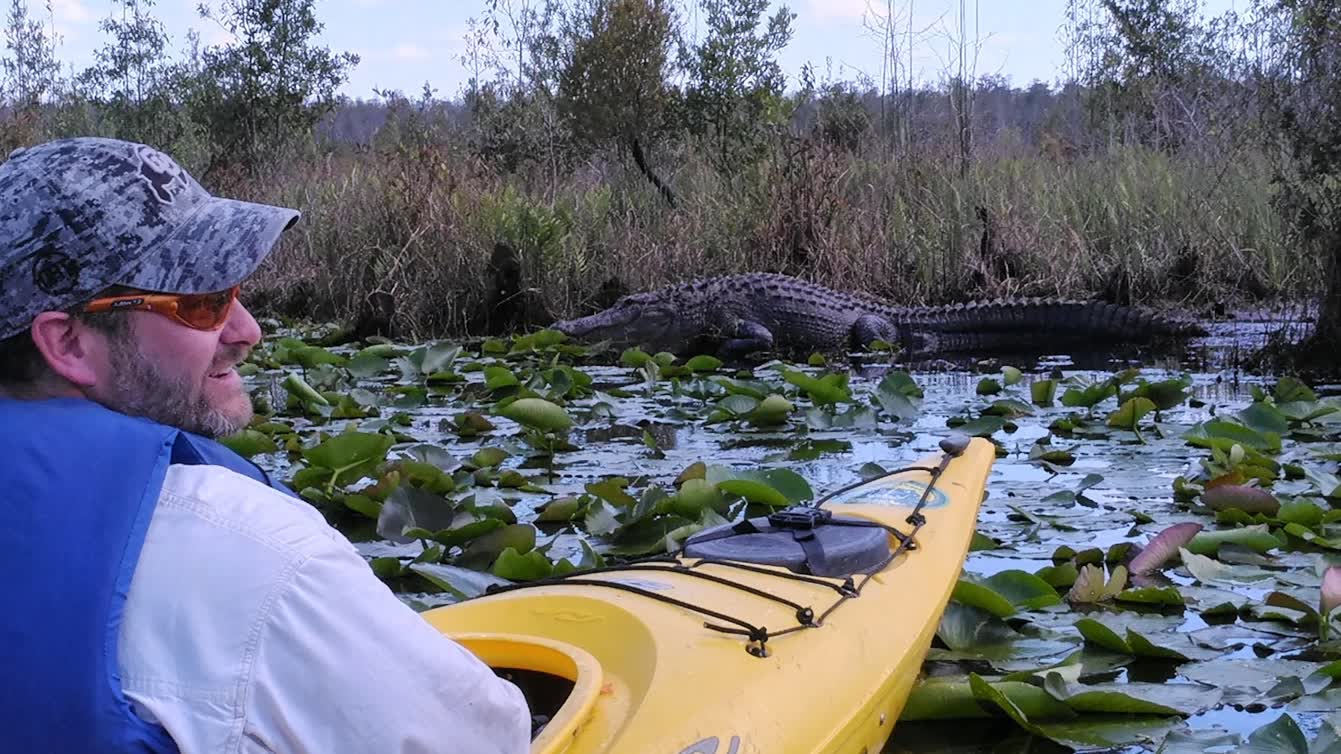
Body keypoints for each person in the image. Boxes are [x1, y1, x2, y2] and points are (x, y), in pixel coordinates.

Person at [0, 137, 531, 753]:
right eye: (203, 302)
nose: (248, 331)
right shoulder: (257, 550)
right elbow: (483, 737)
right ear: (66, 343)